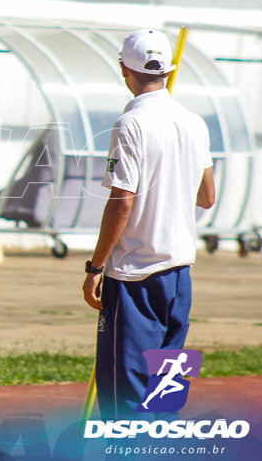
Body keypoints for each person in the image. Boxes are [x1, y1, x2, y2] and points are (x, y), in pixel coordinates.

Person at [82, 29, 215, 419]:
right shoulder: (194, 122)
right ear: (168, 69)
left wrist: (94, 267)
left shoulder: (131, 124)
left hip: (135, 273)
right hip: (179, 274)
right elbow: (206, 196)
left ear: (124, 67)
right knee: (165, 391)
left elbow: (122, 202)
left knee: (127, 394)